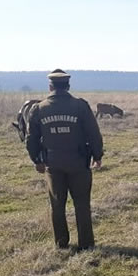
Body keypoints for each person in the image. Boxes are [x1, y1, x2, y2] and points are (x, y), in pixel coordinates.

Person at [26, 70, 104, 250]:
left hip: (52, 164)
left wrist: (37, 160)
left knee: (57, 205)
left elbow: (31, 139)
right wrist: (97, 156)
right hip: (78, 162)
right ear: (68, 86)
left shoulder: (38, 109)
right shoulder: (80, 106)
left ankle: (61, 243)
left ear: (50, 86)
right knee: (82, 204)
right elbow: (94, 134)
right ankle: (86, 244)